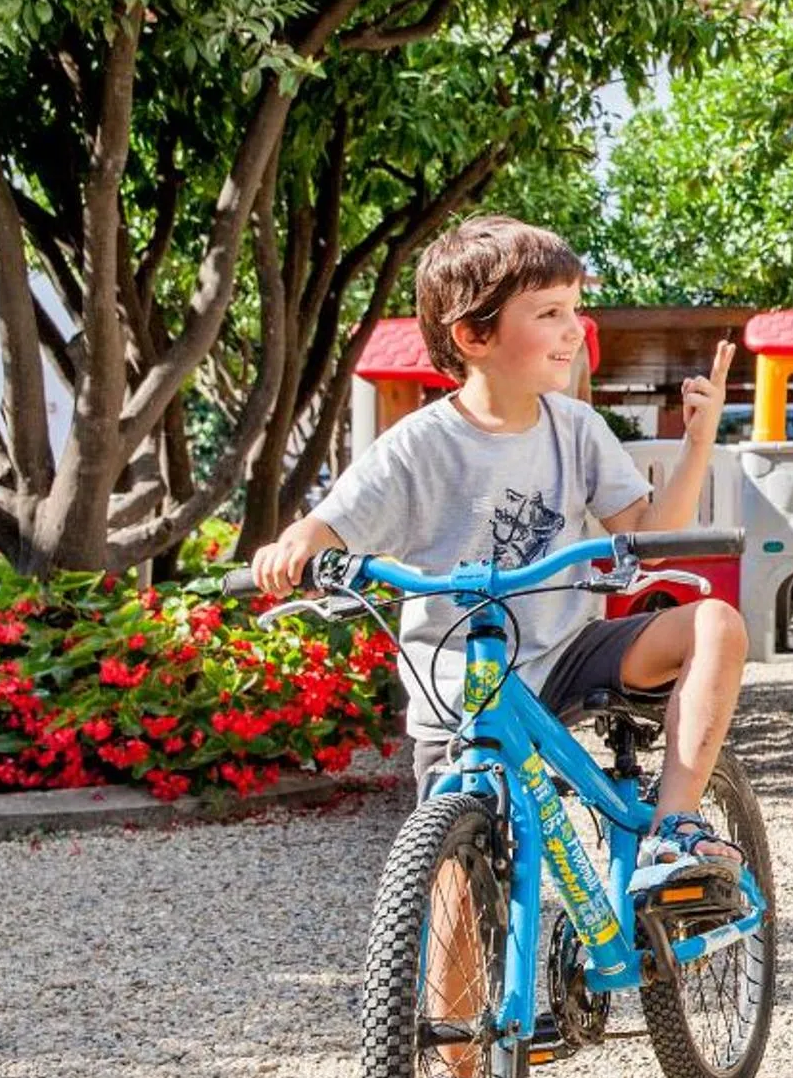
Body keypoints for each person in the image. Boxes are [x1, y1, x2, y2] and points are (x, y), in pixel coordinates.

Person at [253, 215, 752, 876]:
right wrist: (294, 547)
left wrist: (697, 441)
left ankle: (675, 822)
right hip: (458, 688)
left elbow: (652, 542)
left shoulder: (576, 429)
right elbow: (330, 525)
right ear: (473, 335)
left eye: (575, 308)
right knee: (453, 894)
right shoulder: (418, 444)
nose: (573, 329)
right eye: (549, 312)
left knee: (715, 622)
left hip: (565, 655)